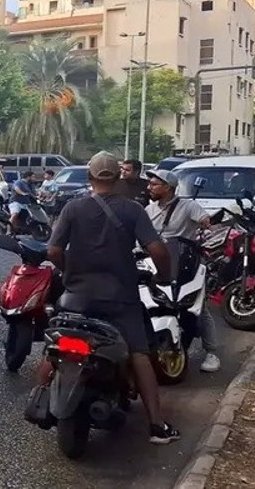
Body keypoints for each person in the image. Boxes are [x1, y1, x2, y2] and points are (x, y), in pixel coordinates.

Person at [44, 151, 180, 444]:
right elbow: (157, 250)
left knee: (55, 343)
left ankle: (42, 399)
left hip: (76, 297)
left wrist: (71, 271)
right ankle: (157, 426)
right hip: (120, 298)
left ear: (89, 177)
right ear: (119, 178)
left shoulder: (72, 208)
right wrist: (164, 276)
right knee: (139, 353)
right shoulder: (132, 210)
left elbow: (53, 251)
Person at [144, 169, 220, 373]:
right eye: (149, 183)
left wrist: (210, 227)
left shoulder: (188, 206)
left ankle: (212, 352)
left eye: (154, 184)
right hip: (156, 264)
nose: (149, 187)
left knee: (198, 307)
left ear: (168, 187)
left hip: (186, 264)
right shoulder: (149, 210)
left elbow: (208, 223)